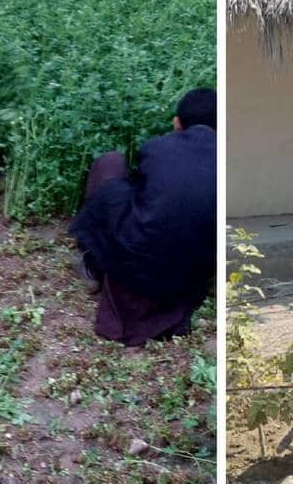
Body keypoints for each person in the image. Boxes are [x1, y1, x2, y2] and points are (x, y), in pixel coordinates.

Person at [68, 88, 216, 346]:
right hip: (187, 279)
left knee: (110, 164)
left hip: (133, 264)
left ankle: (94, 261)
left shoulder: (158, 148)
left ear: (177, 124)